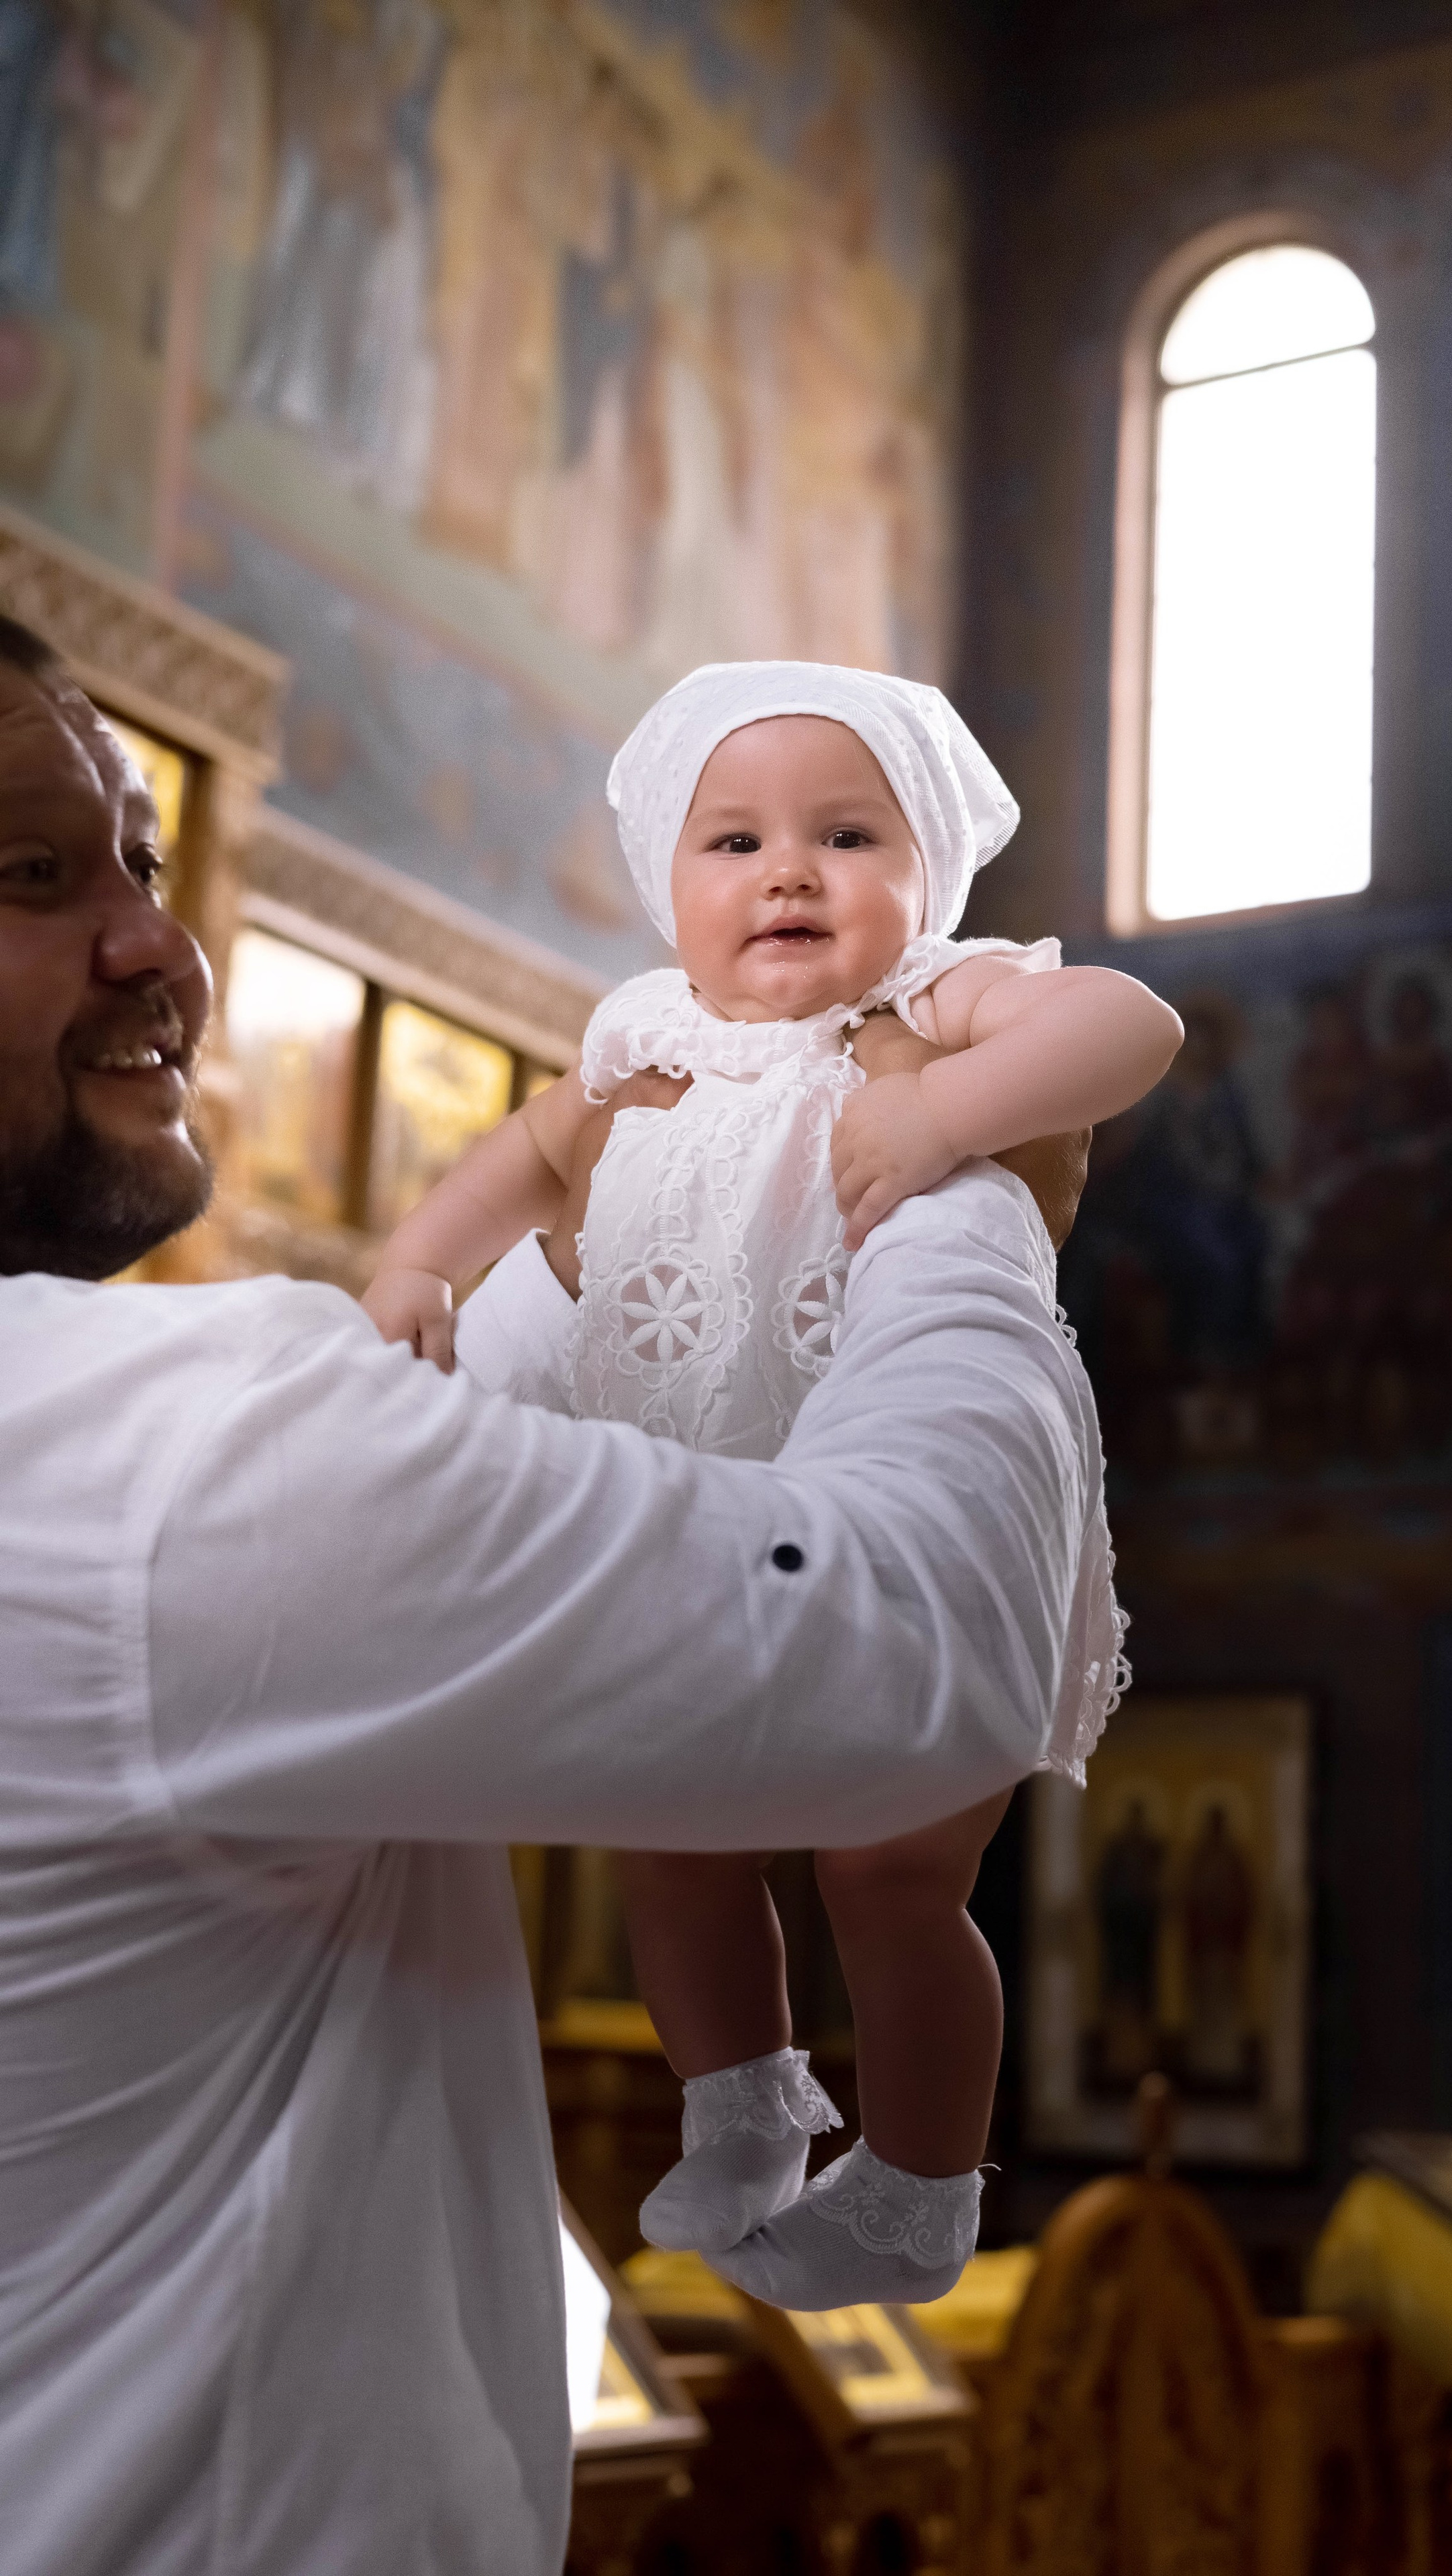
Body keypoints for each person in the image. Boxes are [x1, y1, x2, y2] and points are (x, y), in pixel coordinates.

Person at [0, 615, 1104, 2576]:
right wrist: (977, 1198)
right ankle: (820, 2139)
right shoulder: (162, 1453)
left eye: (151, 867)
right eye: (32, 875)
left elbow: (496, 1405)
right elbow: (923, 1639)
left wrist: (583, 1269)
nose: (165, 948)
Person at [363, 661, 1182, 2308]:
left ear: (927, 882)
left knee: (890, 1871)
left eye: (846, 834)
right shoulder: (640, 1042)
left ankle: (920, 2180)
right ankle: (737, 2102)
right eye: (730, 841)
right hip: (686, 1510)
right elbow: (525, 1161)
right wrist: (413, 1268)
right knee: (671, 1841)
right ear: (670, 886)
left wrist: (952, 1104)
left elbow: (1132, 1025)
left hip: (898, 1506)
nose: (787, 872)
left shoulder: (922, 1010)